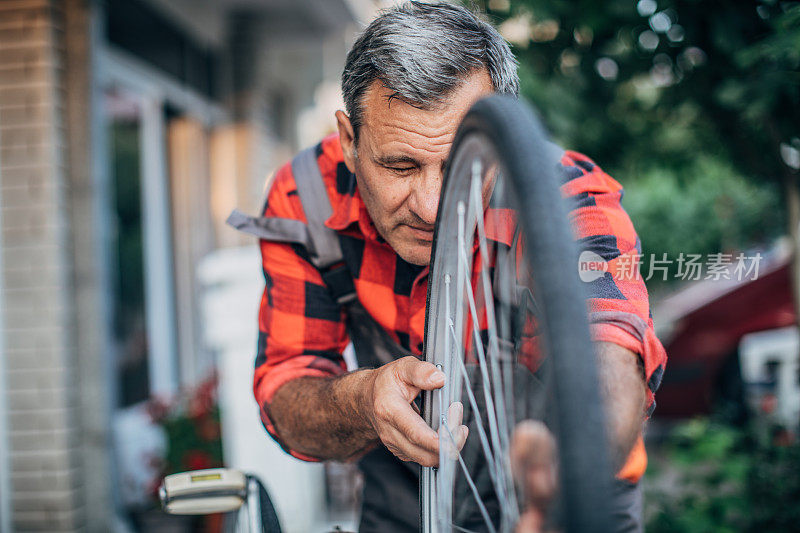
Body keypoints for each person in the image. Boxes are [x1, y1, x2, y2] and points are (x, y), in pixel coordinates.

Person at [228, 2, 667, 531]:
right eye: (400, 165)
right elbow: (287, 392)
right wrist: (364, 401)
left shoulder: (568, 197)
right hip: (406, 499)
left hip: (570, 495)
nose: (432, 207)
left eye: (461, 164)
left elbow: (611, 349)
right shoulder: (307, 198)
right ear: (349, 139)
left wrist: (573, 469)